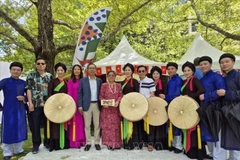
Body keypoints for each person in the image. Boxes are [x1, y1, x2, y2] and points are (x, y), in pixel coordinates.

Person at [198, 56, 226, 160]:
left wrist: (205, 96)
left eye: (205, 64)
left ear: (210, 64)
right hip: (205, 108)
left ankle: (219, 157)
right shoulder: (202, 78)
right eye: (201, 64)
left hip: (215, 108)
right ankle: (211, 154)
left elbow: (221, 91)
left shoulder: (217, 76)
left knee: (216, 133)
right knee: (207, 132)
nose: (203, 66)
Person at [0, 62, 27, 160]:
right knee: (8, 130)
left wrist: (24, 98)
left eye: (18, 70)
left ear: (21, 72)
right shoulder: (4, 81)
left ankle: (18, 149)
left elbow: (29, 95)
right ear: (10, 70)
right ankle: (7, 152)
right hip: (8, 110)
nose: (16, 71)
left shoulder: (23, 83)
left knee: (20, 129)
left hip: (20, 109)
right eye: (14, 69)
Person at [26, 58, 53, 154]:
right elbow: (28, 89)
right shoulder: (31, 76)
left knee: (48, 124)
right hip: (35, 104)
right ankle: (36, 144)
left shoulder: (49, 76)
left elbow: (52, 90)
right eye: (38, 63)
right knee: (35, 125)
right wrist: (30, 103)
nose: (41, 65)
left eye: (43, 63)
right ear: (36, 65)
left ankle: (47, 142)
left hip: (47, 105)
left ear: (45, 65)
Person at [181, 62, 207, 160]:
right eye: (184, 70)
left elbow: (201, 90)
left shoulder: (195, 80)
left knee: (194, 129)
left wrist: (191, 97)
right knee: (187, 126)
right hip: (186, 107)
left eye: (188, 70)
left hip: (194, 107)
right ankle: (188, 149)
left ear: (193, 71)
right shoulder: (185, 82)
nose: (186, 72)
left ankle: (196, 152)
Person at [219, 53, 240, 160]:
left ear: (233, 62)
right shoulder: (225, 77)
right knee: (229, 137)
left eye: (227, 61)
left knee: (236, 137)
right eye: (222, 62)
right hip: (226, 110)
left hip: (235, 111)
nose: (224, 64)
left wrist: (226, 94)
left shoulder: (237, 76)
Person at [78, 63, 102, 151]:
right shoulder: (83, 80)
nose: (92, 70)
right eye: (90, 68)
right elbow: (80, 93)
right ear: (87, 70)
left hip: (97, 105)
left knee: (97, 125)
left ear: (96, 70)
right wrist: (80, 106)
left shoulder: (99, 81)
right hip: (86, 105)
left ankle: (96, 142)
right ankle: (88, 143)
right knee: (87, 125)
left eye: (93, 68)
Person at [160, 62, 183, 154]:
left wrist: (166, 97)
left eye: (172, 68)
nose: (170, 70)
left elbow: (177, 93)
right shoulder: (169, 79)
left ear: (176, 69)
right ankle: (173, 144)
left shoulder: (178, 80)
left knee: (176, 124)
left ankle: (178, 146)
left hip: (176, 104)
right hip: (170, 104)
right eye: (168, 69)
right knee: (170, 124)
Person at [48, 62, 69, 151]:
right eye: (58, 70)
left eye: (62, 70)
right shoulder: (52, 81)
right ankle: (56, 144)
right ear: (56, 71)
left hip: (65, 106)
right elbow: (49, 93)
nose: (60, 72)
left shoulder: (67, 82)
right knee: (55, 124)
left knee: (65, 122)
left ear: (64, 71)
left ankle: (65, 144)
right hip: (55, 106)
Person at [99, 70, 123, 150]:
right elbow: (101, 96)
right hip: (106, 110)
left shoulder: (118, 85)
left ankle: (116, 144)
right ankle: (108, 144)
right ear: (107, 76)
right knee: (107, 127)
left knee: (115, 127)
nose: (111, 77)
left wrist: (118, 101)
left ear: (115, 76)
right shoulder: (104, 85)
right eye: (109, 75)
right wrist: (103, 103)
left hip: (115, 109)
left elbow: (120, 95)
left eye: (113, 75)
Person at [120, 63, 140, 150]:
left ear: (132, 71)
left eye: (129, 70)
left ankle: (133, 143)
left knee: (132, 123)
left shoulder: (135, 82)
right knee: (124, 122)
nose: (127, 71)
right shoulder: (121, 82)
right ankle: (126, 142)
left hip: (132, 105)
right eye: (126, 70)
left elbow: (137, 94)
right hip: (124, 105)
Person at [149, 66, 168, 151]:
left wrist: (163, 97)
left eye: (157, 73)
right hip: (152, 107)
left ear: (160, 74)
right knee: (152, 124)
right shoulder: (150, 83)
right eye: (154, 73)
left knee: (160, 124)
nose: (155, 75)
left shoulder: (164, 83)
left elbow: (166, 94)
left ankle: (160, 143)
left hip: (160, 106)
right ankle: (151, 142)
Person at [137, 65, 156, 151]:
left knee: (149, 124)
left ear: (146, 72)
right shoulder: (138, 82)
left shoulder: (150, 80)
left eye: (143, 71)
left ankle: (150, 143)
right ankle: (144, 141)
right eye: (139, 71)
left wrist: (148, 103)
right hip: (139, 106)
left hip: (148, 105)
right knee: (141, 124)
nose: (141, 72)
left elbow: (152, 93)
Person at [67, 64, 86, 148]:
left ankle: (82, 140)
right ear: (73, 71)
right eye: (75, 69)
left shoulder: (84, 80)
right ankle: (75, 141)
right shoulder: (70, 81)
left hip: (82, 104)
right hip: (74, 104)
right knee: (75, 122)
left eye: (78, 69)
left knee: (82, 123)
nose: (77, 71)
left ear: (80, 71)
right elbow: (69, 93)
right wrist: (72, 104)